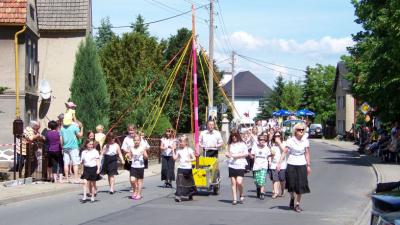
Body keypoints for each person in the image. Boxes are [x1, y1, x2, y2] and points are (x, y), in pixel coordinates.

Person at [276, 123, 311, 213]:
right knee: (291, 184)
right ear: (295, 131)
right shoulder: (290, 141)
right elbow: (284, 152)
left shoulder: (305, 141)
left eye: (303, 130)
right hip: (291, 163)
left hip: (302, 164)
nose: (301, 131)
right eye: (299, 130)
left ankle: (297, 204)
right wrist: (279, 163)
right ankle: (292, 197)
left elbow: (307, 153)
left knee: (300, 185)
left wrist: (308, 165)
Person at [225, 131, 248, 205]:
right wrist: (227, 155)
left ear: (238, 136)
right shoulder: (230, 145)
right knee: (233, 182)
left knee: (239, 182)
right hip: (232, 164)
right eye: (232, 136)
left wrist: (237, 156)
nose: (234, 137)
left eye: (235, 136)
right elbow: (227, 153)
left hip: (240, 164)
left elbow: (246, 153)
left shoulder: (242, 144)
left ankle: (241, 194)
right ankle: (234, 199)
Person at [173, 135, 196, 202]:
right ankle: (178, 196)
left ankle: (190, 194)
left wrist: (189, 160)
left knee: (189, 182)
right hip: (180, 168)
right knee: (179, 182)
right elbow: (174, 158)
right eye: (180, 142)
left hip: (188, 168)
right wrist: (172, 150)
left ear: (186, 142)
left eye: (182, 142)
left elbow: (194, 158)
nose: (180, 143)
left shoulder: (189, 150)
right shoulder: (178, 150)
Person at [60, 119, 83, 183]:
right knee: (75, 163)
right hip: (73, 147)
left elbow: (61, 139)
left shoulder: (62, 128)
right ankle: (76, 178)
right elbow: (80, 135)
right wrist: (82, 128)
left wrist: (62, 147)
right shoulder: (74, 127)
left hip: (65, 147)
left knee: (66, 163)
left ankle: (67, 178)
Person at [250, 134, 272, 200]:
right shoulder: (255, 147)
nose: (262, 141)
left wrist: (270, 162)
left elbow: (269, 156)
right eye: (260, 140)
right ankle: (258, 189)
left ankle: (262, 193)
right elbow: (252, 156)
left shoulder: (267, 148)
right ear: (258, 140)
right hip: (256, 166)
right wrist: (249, 155)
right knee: (257, 181)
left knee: (262, 179)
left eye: (263, 140)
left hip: (264, 166)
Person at [128, 134, 148, 200]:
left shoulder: (142, 148)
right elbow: (130, 157)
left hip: (140, 166)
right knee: (132, 180)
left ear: (140, 141)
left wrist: (143, 154)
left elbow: (146, 157)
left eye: (138, 140)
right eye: (135, 140)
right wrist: (128, 156)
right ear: (133, 141)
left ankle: (138, 194)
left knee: (139, 181)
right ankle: (135, 190)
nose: (136, 141)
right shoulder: (131, 147)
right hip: (133, 166)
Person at [269, 131, 287, 198]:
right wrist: (270, 161)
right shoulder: (272, 143)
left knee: (282, 179)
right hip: (274, 164)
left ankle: (282, 190)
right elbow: (270, 153)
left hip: (282, 164)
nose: (277, 137)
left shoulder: (284, 143)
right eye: (276, 136)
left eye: (278, 135)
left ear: (281, 136)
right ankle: (276, 192)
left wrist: (279, 143)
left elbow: (285, 151)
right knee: (275, 179)